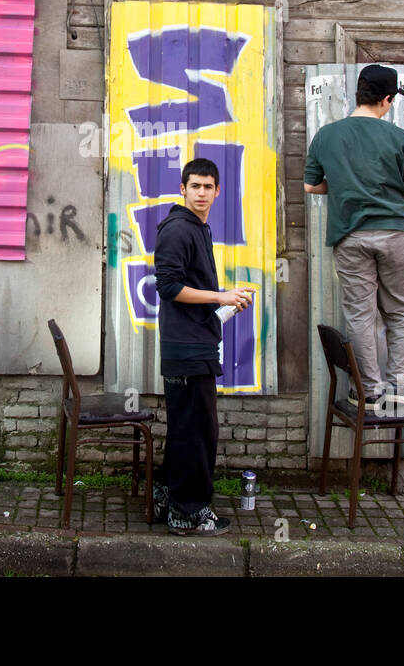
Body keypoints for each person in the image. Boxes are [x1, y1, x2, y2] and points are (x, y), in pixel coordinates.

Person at [304, 64, 404, 411]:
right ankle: (400, 386)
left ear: (359, 94)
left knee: (360, 314)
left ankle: (367, 392)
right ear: (386, 99)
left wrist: (342, 187)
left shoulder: (327, 135)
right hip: (394, 234)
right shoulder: (399, 138)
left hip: (350, 236)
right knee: (401, 311)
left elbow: (311, 185)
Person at [153, 157, 252, 536]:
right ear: (183, 188)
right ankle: (190, 512)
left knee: (186, 429)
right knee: (198, 432)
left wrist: (223, 302)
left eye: (208, 186)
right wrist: (221, 296)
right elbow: (169, 287)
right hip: (187, 349)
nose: (201, 192)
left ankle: (169, 498)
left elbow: (187, 286)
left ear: (217, 191)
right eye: (194, 185)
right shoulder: (179, 229)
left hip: (194, 343)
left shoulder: (197, 228)